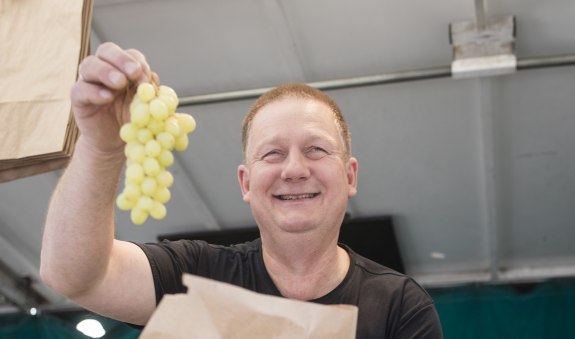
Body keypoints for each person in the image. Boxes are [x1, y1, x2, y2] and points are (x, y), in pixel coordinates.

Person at [40, 42, 443, 338]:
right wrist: (101, 146)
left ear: (350, 176)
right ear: (246, 184)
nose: (295, 169)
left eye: (316, 149)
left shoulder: (398, 305)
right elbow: (76, 276)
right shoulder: (197, 275)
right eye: (272, 154)